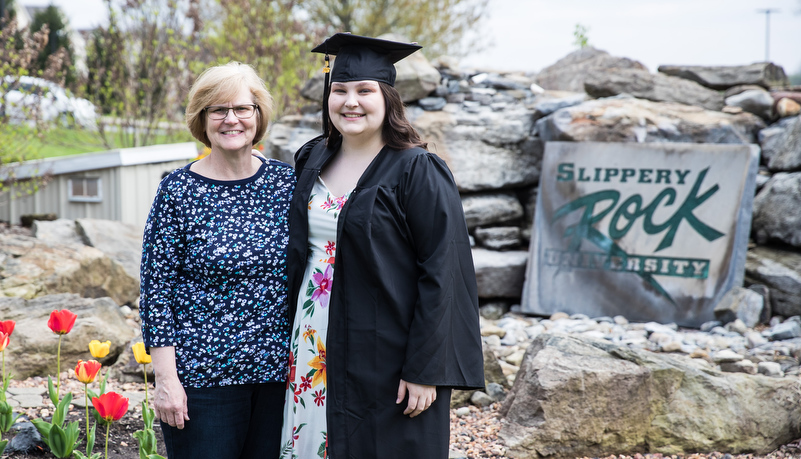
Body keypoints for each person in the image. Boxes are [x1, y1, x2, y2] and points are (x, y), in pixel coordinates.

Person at [279, 33, 485, 459]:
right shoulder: (312, 157)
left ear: (388, 98)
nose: (350, 101)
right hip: (312, 342)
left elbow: (443, 271)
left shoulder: (417, 169)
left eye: (364, 91)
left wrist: (426, 369)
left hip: (386, 350)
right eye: (339, 90)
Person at [139, 62, 294, 459]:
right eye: (217, 110)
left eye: (242, 109)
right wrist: (166, 380)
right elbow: (156, 293)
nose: (231, 120)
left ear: (258, 115)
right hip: (202, 381)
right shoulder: (177, 190)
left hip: (278, 376)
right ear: (202, 119)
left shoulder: (286, 182)